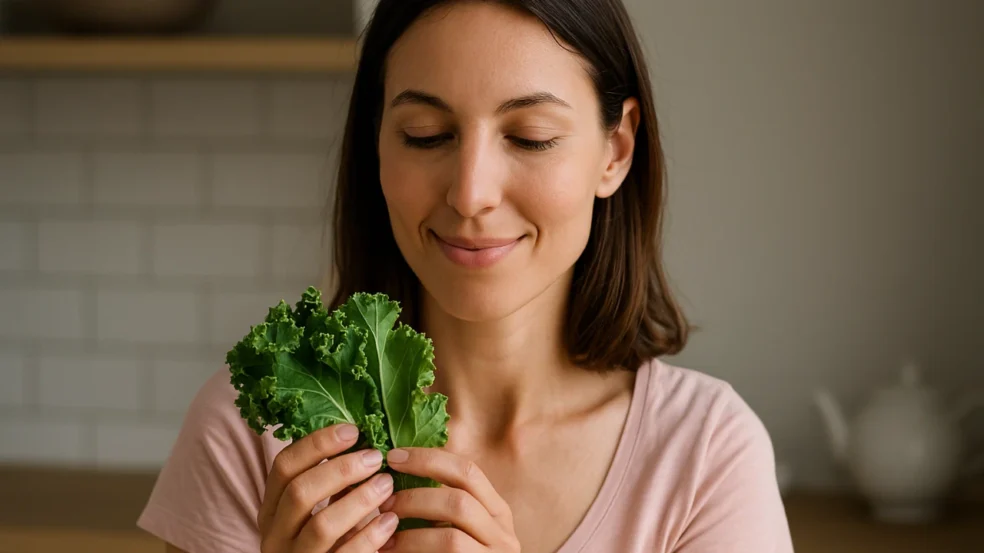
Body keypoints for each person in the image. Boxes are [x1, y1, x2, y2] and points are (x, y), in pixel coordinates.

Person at [137, 0, 795, 551]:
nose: (471, 192)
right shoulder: (253, 431)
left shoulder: (707, 455)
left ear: (616, 151)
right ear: (377, 143)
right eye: (425, 134)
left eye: (531, 135)